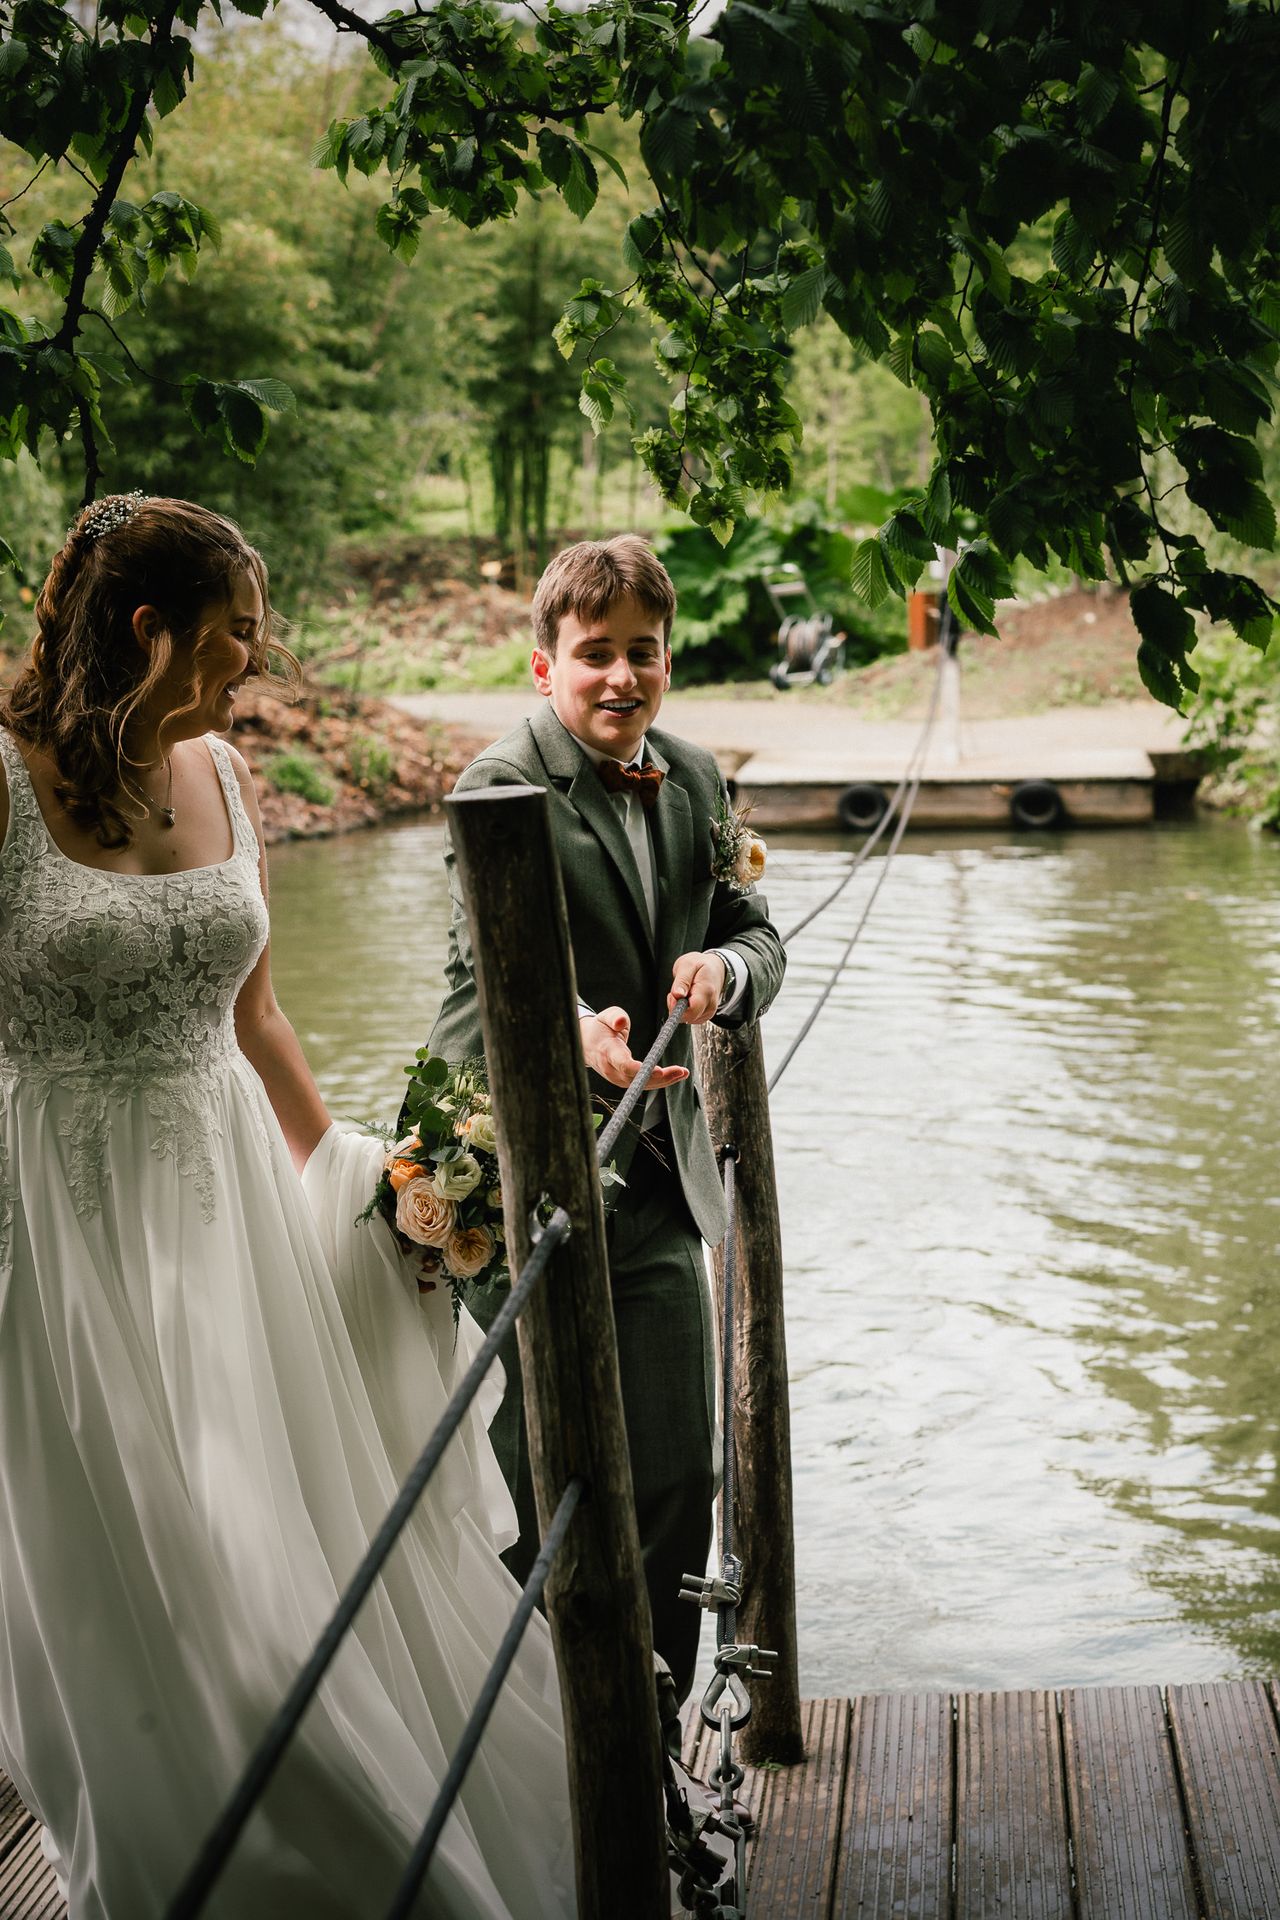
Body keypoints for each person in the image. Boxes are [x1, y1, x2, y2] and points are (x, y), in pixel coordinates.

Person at [0, 494, 576, 1919]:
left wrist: (369, 1189)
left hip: (236, 1216)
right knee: (145, 1573)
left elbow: (257, 1019)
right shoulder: (0, 784)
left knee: (282, 1552)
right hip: (65, 1225)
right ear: (151, 630)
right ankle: (192, 1859)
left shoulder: (222, 775)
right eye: (234, 632)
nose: (253, 662)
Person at [427, 536, 786, 1705]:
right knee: (534, 1482)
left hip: (659, 1180)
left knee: (680, 1474)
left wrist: (722, 976)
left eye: (643, 652)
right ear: (544, 668)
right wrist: (571, 1025)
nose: (621, 678)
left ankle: (650, 1740)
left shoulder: (693, 776)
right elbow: (483, 964)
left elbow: (757, 934)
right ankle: (543, 1745)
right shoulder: (496, 783)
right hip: (515, 1172)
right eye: (594, 655)